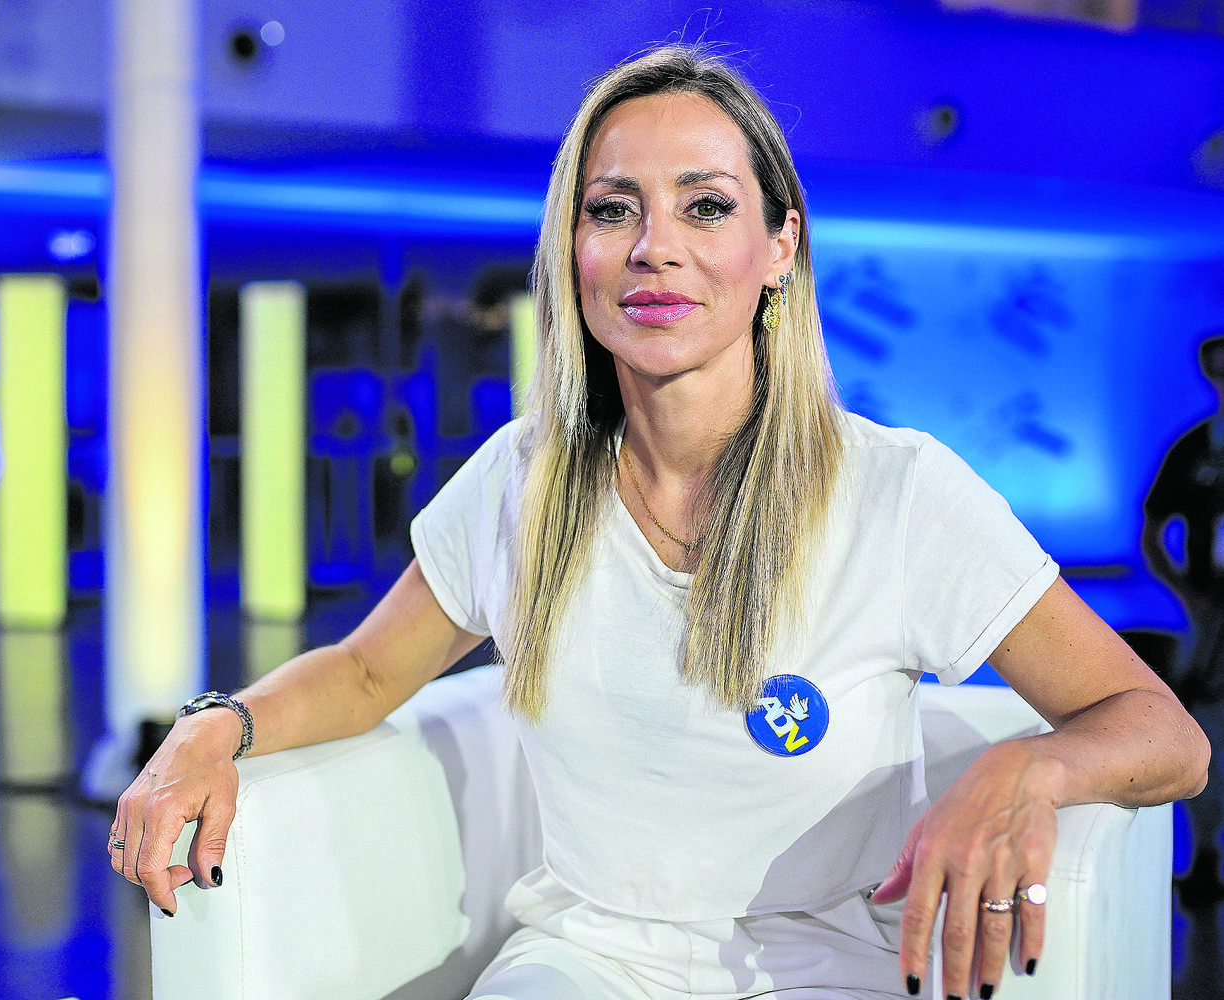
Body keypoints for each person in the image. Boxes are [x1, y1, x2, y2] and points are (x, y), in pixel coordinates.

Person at [111, 45, 1208, 1000]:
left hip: (828, 967)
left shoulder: (900, 491)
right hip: (583, 960)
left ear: (780, 247)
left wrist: (1026, 771)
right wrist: (214, 726)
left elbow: (1165, 734)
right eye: (612, 208)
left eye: (706, 206)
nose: (654, 246)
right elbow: (362, 672)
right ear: (572, 247)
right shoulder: (522, 479)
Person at [1143, 333, 1224, 902]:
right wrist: (1187, 596)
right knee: (1207, 729)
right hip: (1212, 615)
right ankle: (1205, 855)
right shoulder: (1194, 448)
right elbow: (1151, 530)